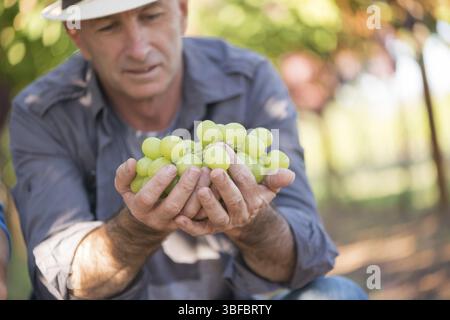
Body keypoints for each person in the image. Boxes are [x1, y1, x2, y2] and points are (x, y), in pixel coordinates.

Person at [10, 0, 367, 300]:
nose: (138, 48)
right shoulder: (41, 112)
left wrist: (251, 223)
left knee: (336, 293)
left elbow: (305, 260)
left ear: (182, 11)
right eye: (108, 27)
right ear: (79, 35)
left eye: (151, 16)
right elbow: (61, 281)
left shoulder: (249, 78)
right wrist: (139, 229)